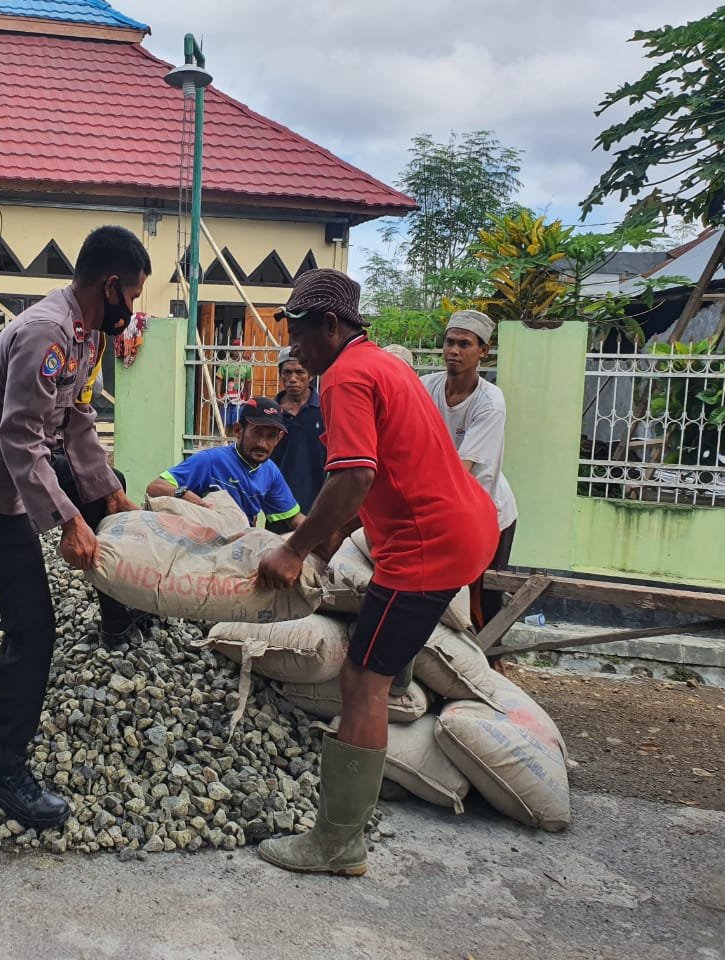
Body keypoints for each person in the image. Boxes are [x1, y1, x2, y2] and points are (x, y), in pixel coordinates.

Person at [255, 268, 497, 878]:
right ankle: (371, 767)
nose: (295, 348)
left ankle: (338, 843)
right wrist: (321, 543)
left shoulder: (345, 377)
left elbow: (353, 477)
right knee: (383, 653)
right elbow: (376, 477)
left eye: (301, 332)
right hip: (463, 528)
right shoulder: (388, 366)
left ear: (331, 326)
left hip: (427, 547)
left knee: (364, 678)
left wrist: (292, 549)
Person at [0, 225, 150, 829]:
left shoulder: (84, 336)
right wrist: (66, 518)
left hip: (10, 487)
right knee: (33, 629)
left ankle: (124, 618)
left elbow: (79, 417)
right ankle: (3, 772)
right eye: (133, 296)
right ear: (110, 286)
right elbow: (19, 437)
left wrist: (108, 491)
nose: (133, 310)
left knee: (34, 618)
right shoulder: (46, 333)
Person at [420, 309, 518, 630]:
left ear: (483, 352)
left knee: (484, 596)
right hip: (441, 507)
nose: (453, 350)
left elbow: (461, 471)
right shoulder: (425, 388)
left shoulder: (489, 402)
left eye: (464, 344)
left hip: (488, 512)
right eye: (449, 342)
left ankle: (493, 662)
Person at [145, 396, 302, 530]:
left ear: (279, 438)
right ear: (238, 430)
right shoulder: (210, 461)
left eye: (270, 436)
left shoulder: (270, 472)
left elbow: (294, 518)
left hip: (238, 550)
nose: (262, 443)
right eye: (256, 433)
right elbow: (155, 487)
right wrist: (187, 495)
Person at [269, 350, 326, 525]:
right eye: (287, 372)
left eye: (300, 372)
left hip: (319, 504)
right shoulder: (270, 414)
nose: (293, 378)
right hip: (279, 506)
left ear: (310, 375)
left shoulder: (326, 409)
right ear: (280, 375)